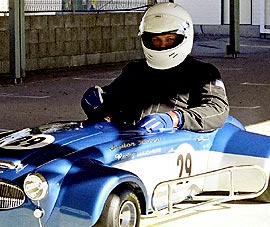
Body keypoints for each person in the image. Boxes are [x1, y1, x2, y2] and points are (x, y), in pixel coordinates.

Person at [81, 3, 229, 132]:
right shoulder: (135, 70)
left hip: (172, 144)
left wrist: (175, 118)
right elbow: (112, 99)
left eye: (169, 39)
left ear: (185, 37)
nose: (162, 45)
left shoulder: (203, 73)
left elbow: (217, 110)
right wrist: (97, 99)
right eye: (156, 40)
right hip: (130, 141)